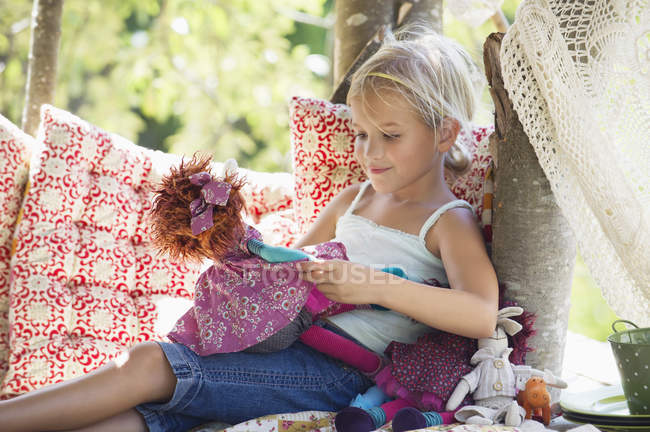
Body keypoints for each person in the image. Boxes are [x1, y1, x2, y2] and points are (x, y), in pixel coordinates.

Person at [0, 26, 498, 432]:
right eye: (363, 134)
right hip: (285, 349)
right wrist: (236, 242)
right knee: (139, 418)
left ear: (445, 133)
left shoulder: (447, 222)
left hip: (339, 374)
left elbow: (480, 314)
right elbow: (285, 275)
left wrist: (374, 286)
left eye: (390, 136)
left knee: (150, 363)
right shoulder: (355, 198)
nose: (370, 153)